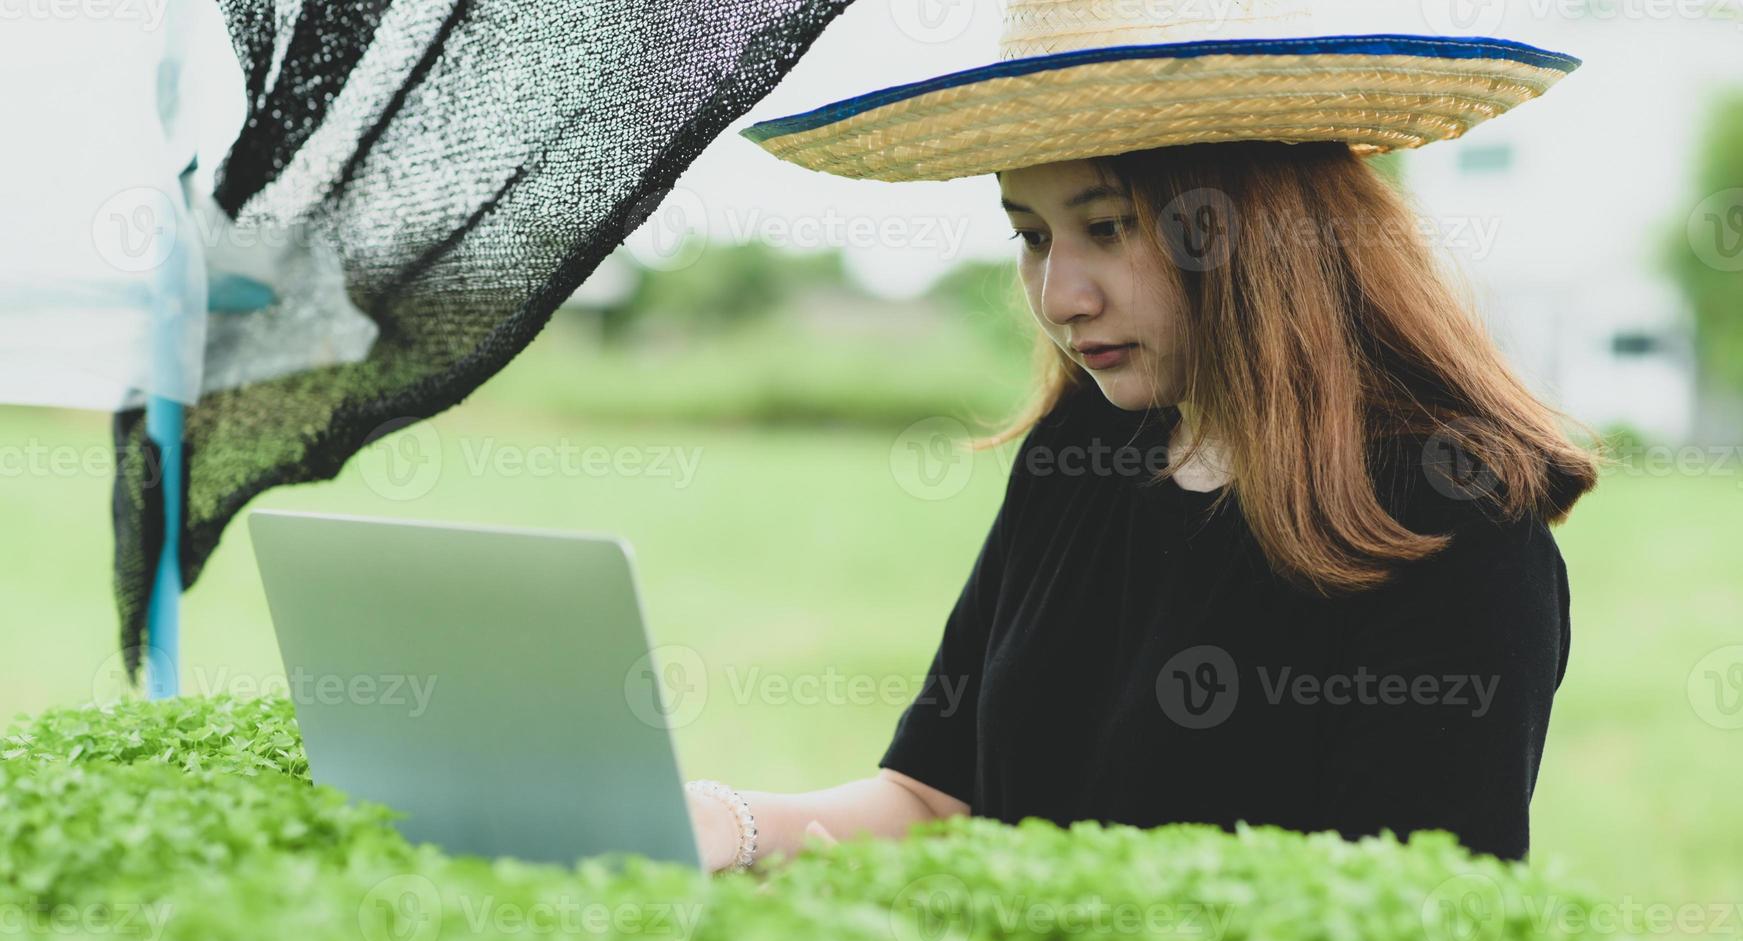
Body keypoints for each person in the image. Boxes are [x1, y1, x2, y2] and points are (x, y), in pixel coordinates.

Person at [686, 2, 1603, 873]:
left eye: (1107, 226)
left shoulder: (1447, 518)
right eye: (1034, 236)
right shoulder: (1078, 449)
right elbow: (933, 801)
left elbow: (1405, 928)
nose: (1059, 297)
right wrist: (728, 823)